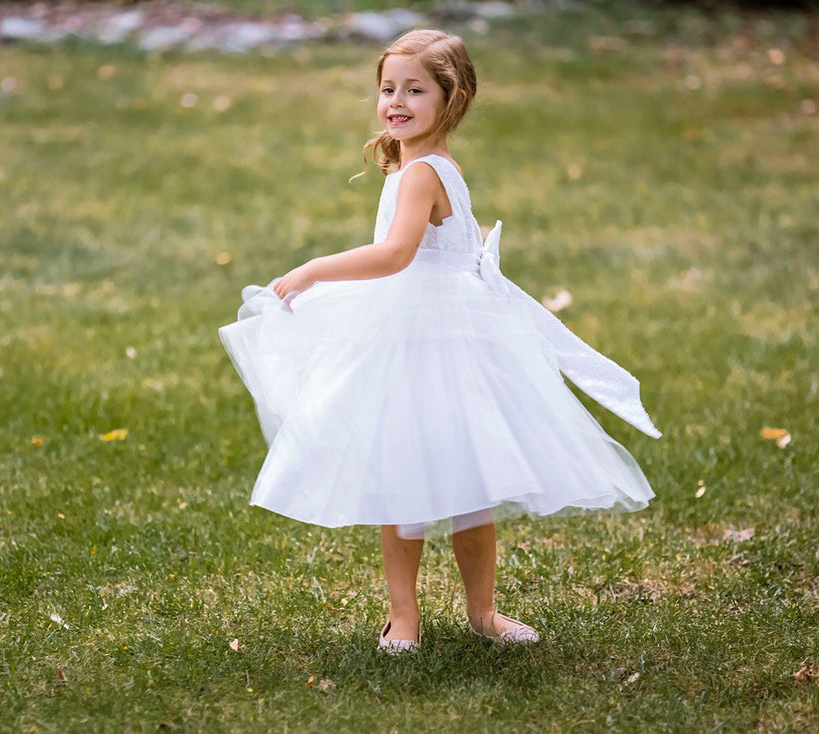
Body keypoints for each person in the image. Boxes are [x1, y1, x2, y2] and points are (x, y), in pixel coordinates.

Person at [217, 29, 661, 654]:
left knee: (460, 491)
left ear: (450, 100)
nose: (395, 101)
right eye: (387, 88)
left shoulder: (425, 171)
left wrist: (314, 269)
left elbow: (397, 254)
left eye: (414, 89)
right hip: (423, 335)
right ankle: (410, 617)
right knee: (419, 483)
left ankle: (475, 613)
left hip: (437, 343)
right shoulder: (431, 167)